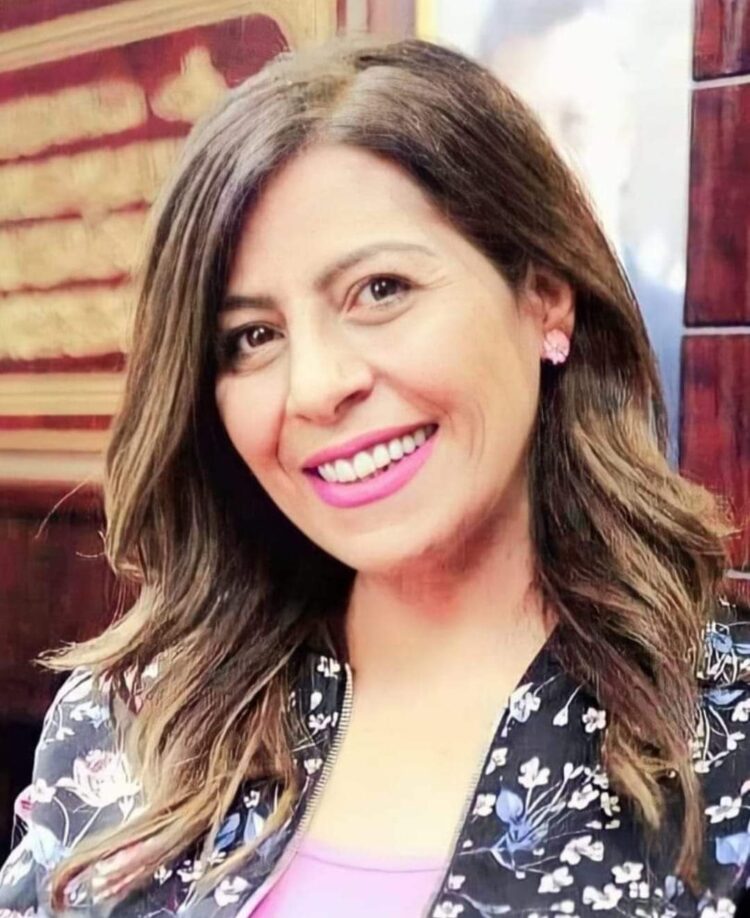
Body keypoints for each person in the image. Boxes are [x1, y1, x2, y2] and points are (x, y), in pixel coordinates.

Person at [1, 34, 749, 918]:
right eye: (253, 337)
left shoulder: (726, 724)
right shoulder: (133, 718)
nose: (317, 387)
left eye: (381, 290)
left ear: (545, 294)